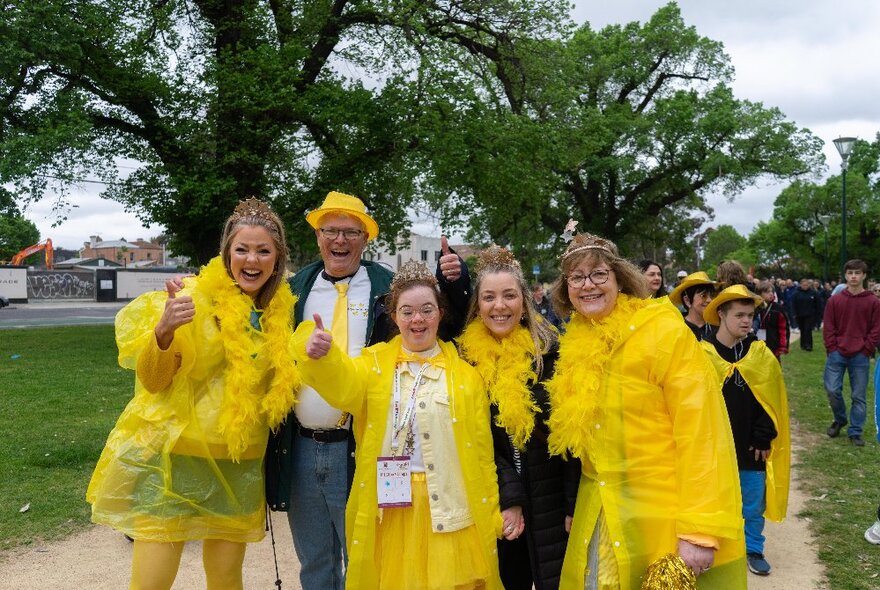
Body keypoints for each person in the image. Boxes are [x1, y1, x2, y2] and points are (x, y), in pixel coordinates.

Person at [87, 198, 300, 590]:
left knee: (226, 579)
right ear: (226, 254)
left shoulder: (280, 313)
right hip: (176, 461)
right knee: (151, 582)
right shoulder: (192, 297)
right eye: (242, 249)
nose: (252, 259)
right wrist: (164, 332)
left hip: (239, 464)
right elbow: (153, 380)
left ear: (277, 258)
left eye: (263, 250)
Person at [265, 191, 472, 590]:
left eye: (351, 232)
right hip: (303, 443)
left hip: (362, 444)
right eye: (331, 231)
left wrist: (457, 281)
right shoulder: (294, 289)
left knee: (365, 558)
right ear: (318, 237)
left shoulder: (386, 286)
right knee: (314, 560)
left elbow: (443, 326)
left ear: (365, 238)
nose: (340, 241)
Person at [545, 227, 745, 589]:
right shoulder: (574, 340)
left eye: (598, 274)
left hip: (662, 516)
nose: (588, 284)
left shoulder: (663, 331)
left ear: (620, 278)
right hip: (599, 513)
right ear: (566, 289)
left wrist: (700, 531)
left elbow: (703, 433)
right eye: (576, 277)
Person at [296, 260, 504, 589]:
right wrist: (323, 357)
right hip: (392, 513)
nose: (417, 319)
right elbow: (343, 385)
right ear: (394, 317)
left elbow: (482, 454)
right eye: (407, 311)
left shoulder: (466, 377)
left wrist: (492, 511)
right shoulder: (373, 365)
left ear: (440, 314)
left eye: (426, 310)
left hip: (449, 514)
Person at [458, 245, 579, 590]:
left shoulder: (552, 353)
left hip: (551, 501)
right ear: (477, 305)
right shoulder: (464, 361)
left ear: (523, 301)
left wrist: (573, 504)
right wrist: (509, 497)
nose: (499, 306)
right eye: (489, 297)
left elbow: (571, 434)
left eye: (509, 295)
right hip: (497, 501)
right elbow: (471, 437)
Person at [701, 286, 790, 577]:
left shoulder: (759, 353)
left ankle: (753, 547)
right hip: (715, 447)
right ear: (721, 315)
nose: (746, 321)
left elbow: (771, 399)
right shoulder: (703, 354)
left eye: (750, 315)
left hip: (752, 448)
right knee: (716, 500)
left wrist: (764, 435)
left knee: (752, 502)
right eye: (739, 315)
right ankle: (720, 549)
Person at [822, 259, 880, 446]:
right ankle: (840, 419)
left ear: (864, 276)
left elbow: (876, 328)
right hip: (837, 352)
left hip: (860, 355)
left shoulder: (873, 302)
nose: (853, 276)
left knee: (858, 395)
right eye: (850, 273)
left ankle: (855, 431)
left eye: (857, 273)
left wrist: (867, 348)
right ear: (845, 276)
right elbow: (829, 326)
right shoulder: (835, 300)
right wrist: (832, 347)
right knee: (832, 389)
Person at [669, 271, 717, 341]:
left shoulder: (718, 329)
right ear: (687, 301)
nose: (709, 300)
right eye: (703, 295)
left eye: (712, 295)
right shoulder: (676, 329)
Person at [754, 281, 790, 361]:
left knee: (774, 370)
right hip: (756, 345)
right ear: (759, 294)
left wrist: (783, 346)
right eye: (767, 292)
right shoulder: (753, 308)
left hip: (773, 345)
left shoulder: (778, 308)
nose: (771, 294)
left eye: (772, 291)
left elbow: (783, 328)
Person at [791, 278, 821, 351]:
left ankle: (808, 345)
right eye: (804, 285)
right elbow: (793, 304)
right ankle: (803, 345)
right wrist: (794, 313)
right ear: (800, 285)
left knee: (808, 330)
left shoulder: (813, 293)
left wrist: (818, 314)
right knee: (802, 330)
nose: (805, 286)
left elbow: (818, 304)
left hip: (810, 315)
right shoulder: (796, 293)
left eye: (807, 285)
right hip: (800, 315)